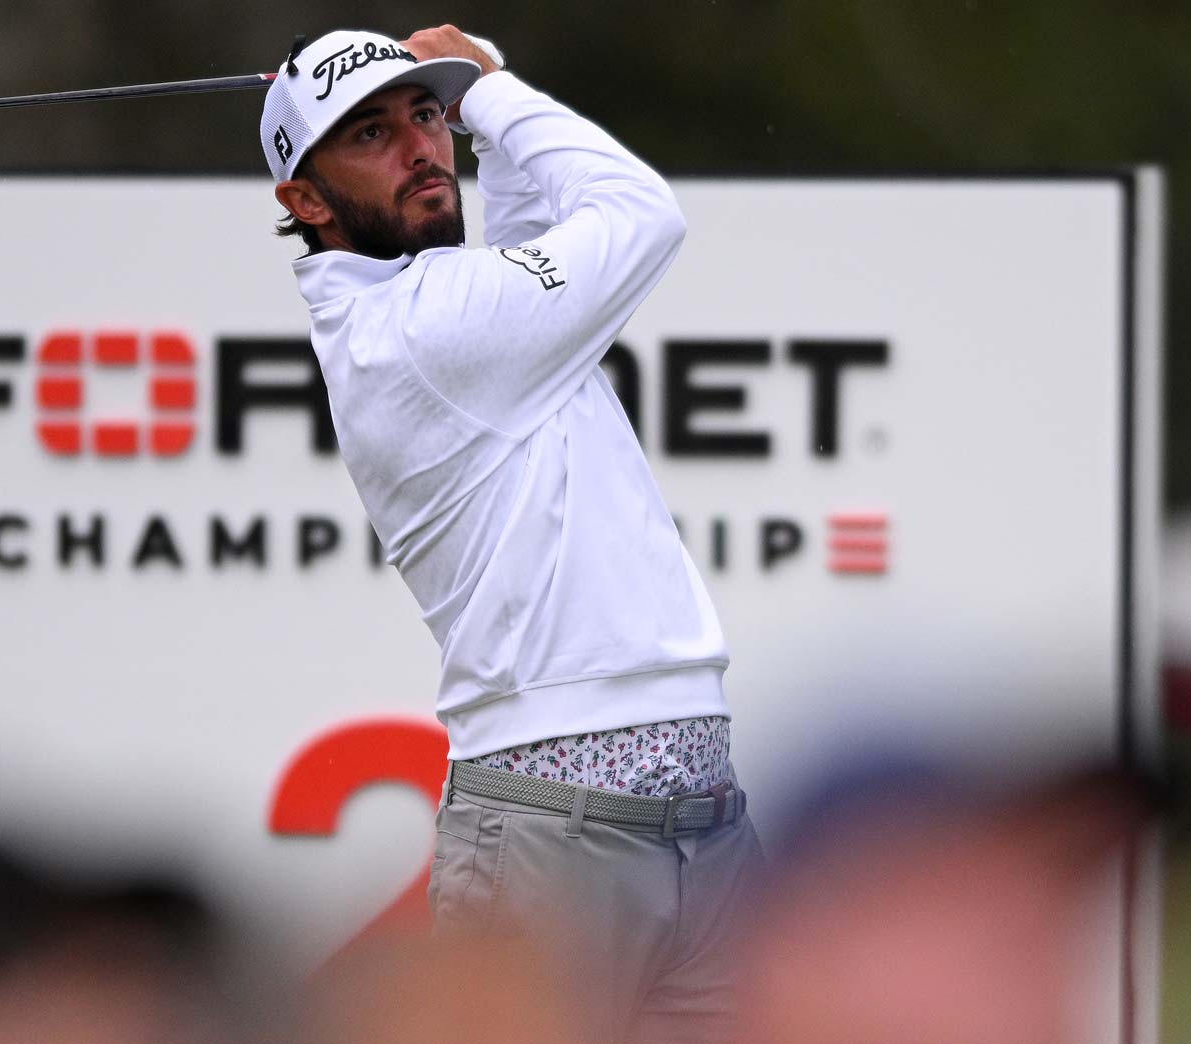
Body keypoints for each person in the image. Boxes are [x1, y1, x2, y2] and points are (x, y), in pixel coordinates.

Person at [262, 24, 763, 1041]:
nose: (418, 148)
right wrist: (489, 88)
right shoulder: (419, 329)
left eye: (426, 115)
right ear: (306, 203)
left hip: (704, 820)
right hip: (552, 834)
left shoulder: (461, 310)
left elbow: (538, 230)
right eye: (370, 134)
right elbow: (635, 212)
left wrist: (481, 112)